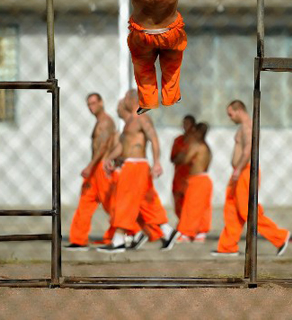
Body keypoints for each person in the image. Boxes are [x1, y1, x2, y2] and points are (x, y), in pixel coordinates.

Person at [97, 90, 177, 253]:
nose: (122, 101)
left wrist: (156, 163)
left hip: (136, 165)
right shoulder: (129, 123)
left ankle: (118, 240)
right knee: (146, 201)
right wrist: (109, 159)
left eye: (125, 98)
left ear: (131, 99)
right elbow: (122, 145)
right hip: (130, 164)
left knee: (124, 199)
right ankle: (168, 231)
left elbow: (154, 139)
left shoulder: (142, 118)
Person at [212, 100, 290, 256]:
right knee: (231, 208)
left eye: (230, 114)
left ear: (239, 110)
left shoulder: (248, 127)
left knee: (246, 209)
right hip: (240, 171)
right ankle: (227, 246)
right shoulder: (244, 127)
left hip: (245, 171)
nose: (230, 118)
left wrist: (239, 169)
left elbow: (248, 150)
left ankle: (279, 236)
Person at [65, 94, 118, 251]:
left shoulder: (106, 122)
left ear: (102, 102)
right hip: (95, 170)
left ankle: (130, 230)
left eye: (94, 103)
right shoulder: (99, 122)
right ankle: (78, 240)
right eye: (88, 104)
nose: (91, 107)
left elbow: (103, 147)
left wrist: (90, 166)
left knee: (111, 204)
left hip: (100, 167)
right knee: (85, 202)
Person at [173, 122, 213, 242]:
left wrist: (182, 152)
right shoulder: (206, 146)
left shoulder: (196, 146)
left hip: (197, 179)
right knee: (204, 207)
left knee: (190, 206)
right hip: (205, 178)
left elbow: (185, 160)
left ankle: (186, 232)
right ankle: (201, 232)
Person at [170, 115, 196, 219]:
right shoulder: (178, 140)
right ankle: (182, 225)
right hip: (179, 177)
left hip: (191, 177)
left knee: (191, 204)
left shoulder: (196, 141)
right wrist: (183, 157)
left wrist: (183, 157)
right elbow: (173, 158)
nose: (185, 126)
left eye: (187, 123)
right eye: (184, 123)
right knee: (178, 204)